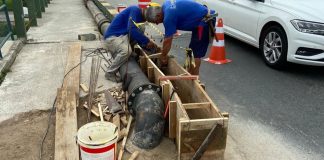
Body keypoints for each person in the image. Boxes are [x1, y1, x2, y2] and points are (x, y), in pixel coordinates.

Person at [145, 0, 216, 75]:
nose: (157, 23)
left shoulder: (168, 17)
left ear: (158, 15)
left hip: (204, 21)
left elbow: (168, 40)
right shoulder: (166, 5)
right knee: (191, 50)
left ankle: (195, 79)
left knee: (196, 54)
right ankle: (189, 74)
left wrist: (163, 56)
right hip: (200, 18)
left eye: (156, 21)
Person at [104, 3, 160, 82]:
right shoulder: (135, 10)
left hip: (123, 35)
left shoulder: (141, 13)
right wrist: (147, 41)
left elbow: (135, 31)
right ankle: (109, 73)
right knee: (126, 51)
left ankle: (133, 49)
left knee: (140, 28)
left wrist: (145, 44)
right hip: (113, 38)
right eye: (152, 21)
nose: (154, 23)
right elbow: (131, 29)